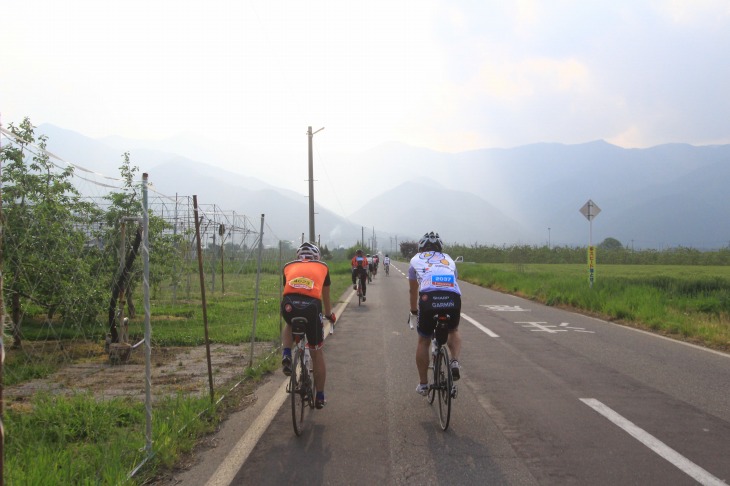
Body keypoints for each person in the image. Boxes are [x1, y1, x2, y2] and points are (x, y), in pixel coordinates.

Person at [280, 242, 336, 409]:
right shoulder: (322, 267)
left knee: (289, 323)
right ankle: (319, 396)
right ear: (316, 257)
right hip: (311, 307)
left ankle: (286, 354)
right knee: (316, 353)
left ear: (298, 257)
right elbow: (325, 296)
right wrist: (329, 315)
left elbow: (287, 288)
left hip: (289, 304)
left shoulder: (288, 266)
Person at [407, 231, 462, 396]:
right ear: (440, 248)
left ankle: (423, 385)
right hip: (452, 296)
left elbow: (412, 290)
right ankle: (454, 361)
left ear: (421, 247)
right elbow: (454, 279)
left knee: (424, 340)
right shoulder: (449, 259)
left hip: (428, 297)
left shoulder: (416, 259)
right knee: (453, 331)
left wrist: (413, 310)